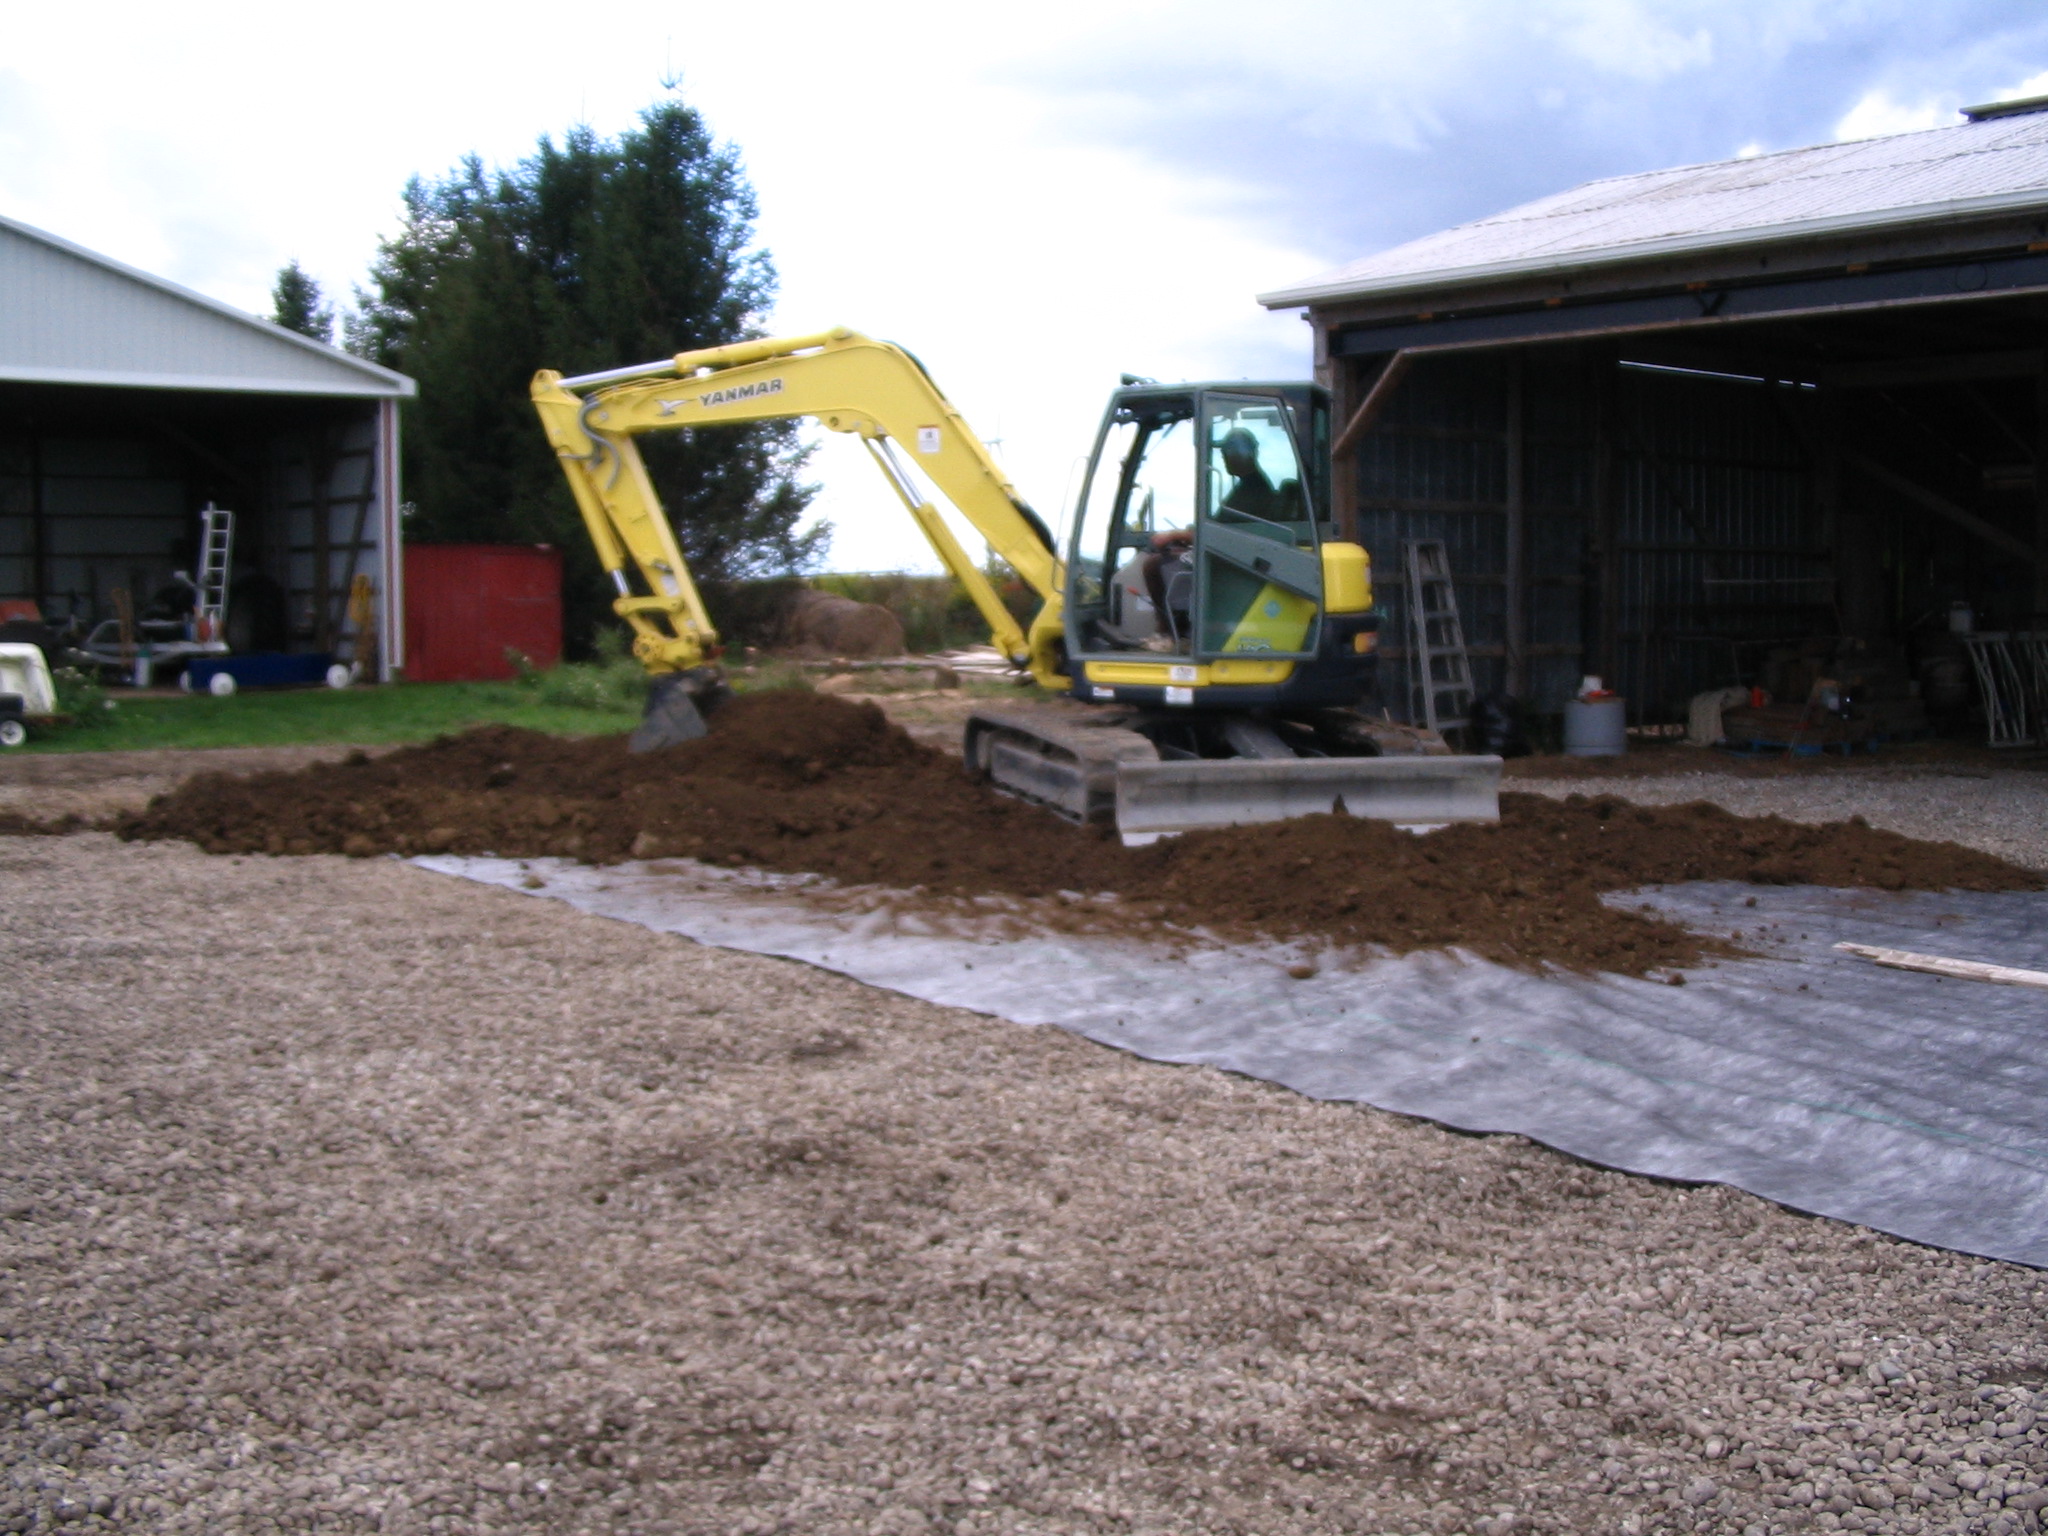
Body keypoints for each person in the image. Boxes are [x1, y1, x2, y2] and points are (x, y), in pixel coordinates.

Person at [1216, 427, 1283, 521]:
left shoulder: (1254, 489)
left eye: (1225, 451)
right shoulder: (1251, 483)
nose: (1223, 457)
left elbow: (1227, 523)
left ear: (1242, 453)